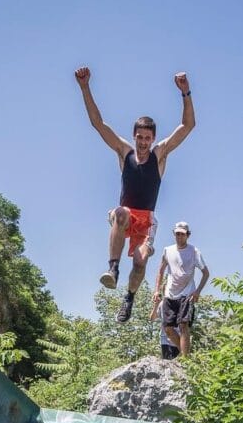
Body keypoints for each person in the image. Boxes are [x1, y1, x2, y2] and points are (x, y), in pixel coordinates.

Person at [74, 66, 196, 323]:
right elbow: (98, 124)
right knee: (120, 212)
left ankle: (129, 298)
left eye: (147, 138)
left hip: (147, 219)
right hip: (126, 215)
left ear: (153, 139)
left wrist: (186, 93)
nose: (142, 143)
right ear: (134, 136)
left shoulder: (159, 155)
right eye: (139, 137)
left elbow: (188, 126)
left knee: (140, 261)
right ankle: (113, 268)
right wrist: (85, 87)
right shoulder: (124, 152)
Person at [153, 221, 209, 357]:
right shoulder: (168, 250)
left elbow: (206, 273)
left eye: (182, 234)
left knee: (183, 325)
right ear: (174, 234)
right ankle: (185, 355)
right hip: (170, 294)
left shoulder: (194, 251)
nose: (179, 237)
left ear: (187, 235)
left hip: (187, 294)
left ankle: (185, 358)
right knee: (168, 328)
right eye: (177, 234)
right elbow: (160, 271)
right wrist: (157, 290)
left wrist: (198, 291)